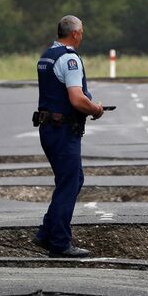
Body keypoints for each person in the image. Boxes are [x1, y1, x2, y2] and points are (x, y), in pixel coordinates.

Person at [33, 15, 104, 258]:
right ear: (74, 33)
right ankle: (60, 242)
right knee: (69, 183)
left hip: (48, 127)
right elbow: (76, 98)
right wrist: (95, 108)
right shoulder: (69, 58)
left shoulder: (47, 55)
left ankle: (46, 233)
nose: (82, 36)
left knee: (72, 180)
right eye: (81, 32)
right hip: (63, 129)